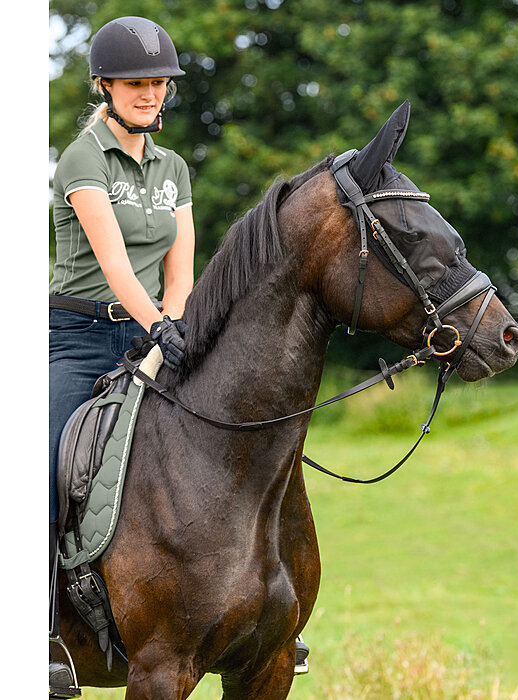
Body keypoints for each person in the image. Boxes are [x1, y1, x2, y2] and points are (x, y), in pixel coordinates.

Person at [49, 16, 194, 696]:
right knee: (45, 471)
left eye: (158, 84)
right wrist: (160, 327)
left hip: (151, 332)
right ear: (105, 85)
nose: (149, 94)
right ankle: (37, 632)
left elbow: (179, 271)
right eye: (136, 83)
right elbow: (113, 265)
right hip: (77, 337)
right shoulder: (83, 157)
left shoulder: (174, 168)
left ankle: (253, 609)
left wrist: (175, 326)